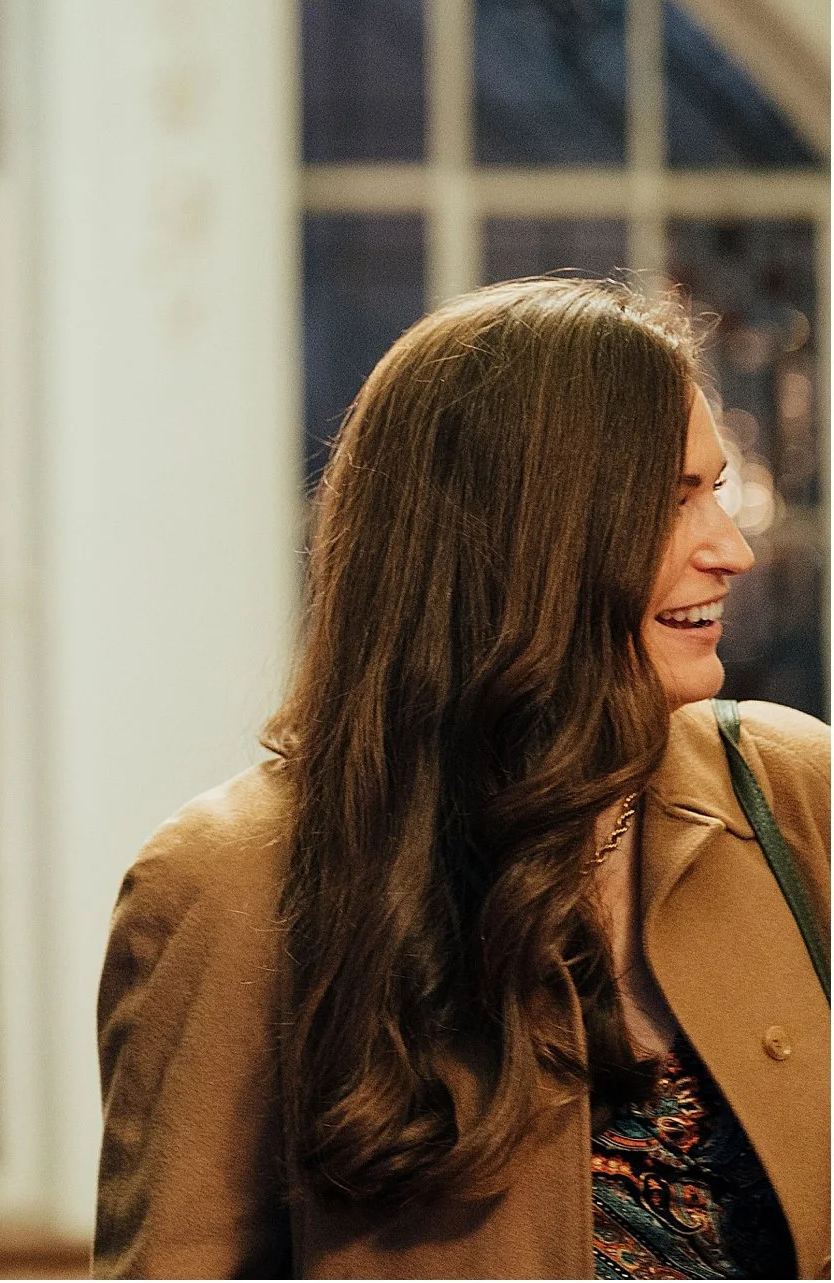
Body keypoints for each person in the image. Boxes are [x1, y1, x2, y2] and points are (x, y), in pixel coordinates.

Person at [94, 277, 829, 1278]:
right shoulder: (232, 881)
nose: (732, 550)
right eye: (672, 500)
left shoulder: (793, 792)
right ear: (518, 536)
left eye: (717, 490)